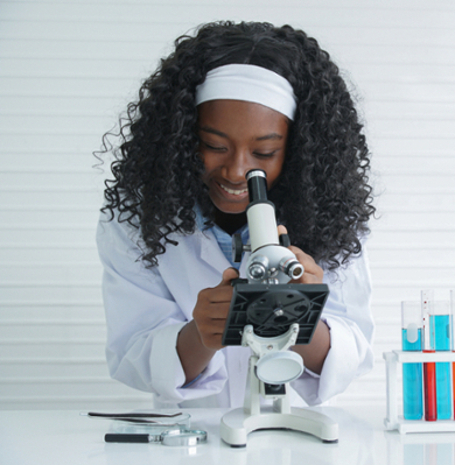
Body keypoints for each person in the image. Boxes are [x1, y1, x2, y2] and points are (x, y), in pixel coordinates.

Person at [95, 21, 376, 408]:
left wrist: (302, 316)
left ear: (296, 149)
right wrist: (202, 334)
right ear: (182, 134)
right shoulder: (140, 217)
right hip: (190, 436)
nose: (235, 171)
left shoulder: (330, 215)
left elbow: (353, 350)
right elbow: (132, 353)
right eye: (214, 145)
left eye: (263, 153)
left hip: (290, 434)